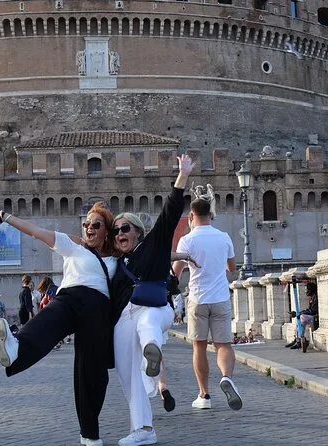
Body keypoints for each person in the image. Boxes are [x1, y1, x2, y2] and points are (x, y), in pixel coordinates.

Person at [0, 202, 118, 446]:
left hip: (97, 309)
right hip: (70, 297)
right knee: (49, 318)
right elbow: (36, 232)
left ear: (106, 231)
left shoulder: (116, 258)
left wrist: (183, 256)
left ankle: (90, 434)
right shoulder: (74, 246)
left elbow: (148, 255)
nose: (89, 228)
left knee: (92, 373)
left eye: (96, 224)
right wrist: (5, 217)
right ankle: (15, 348)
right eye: (86, 224)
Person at [110, 153, 193, 446]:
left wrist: (182, 175)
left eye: (125, 228)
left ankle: (151, 355)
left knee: (147, 325)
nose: (120, 233)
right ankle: (143, 429)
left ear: (138, 231)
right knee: (126, 375)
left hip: (156, 308)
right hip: (125, 317)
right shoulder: (117, 264)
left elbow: (170, 213)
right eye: (116, 230)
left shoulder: (153, 245)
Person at [172, 196, 242, 411]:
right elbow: (232, 268)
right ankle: (226, 377)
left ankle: (204, 395)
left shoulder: (187, 240)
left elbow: (176, 272)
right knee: (224, 345)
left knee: (199, 346)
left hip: (198, 298)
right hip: (220, 297)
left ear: (192, 215)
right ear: (211, 215)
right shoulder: (224, 237)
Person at [286, 282, 319, 351]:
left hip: (315, 317)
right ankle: (297, 339)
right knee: (299, 320)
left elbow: (313, 311)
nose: (305, 291)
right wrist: (298, 313)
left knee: (302, 318)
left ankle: (299, 340)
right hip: (312, 315)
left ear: (310, 290)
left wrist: (298, 313)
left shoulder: (315, 297)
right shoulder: (312, 297)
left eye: (306, 289)